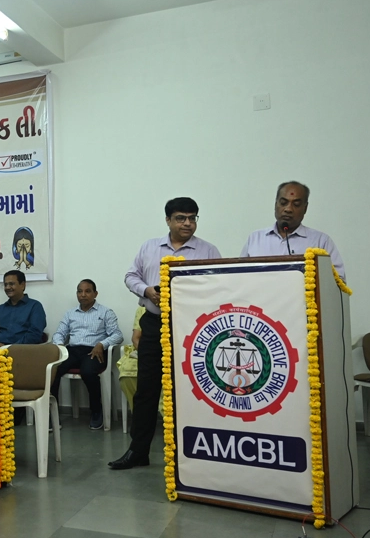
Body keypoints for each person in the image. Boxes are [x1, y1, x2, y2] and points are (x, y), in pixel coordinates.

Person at [113, 197, 221, 470]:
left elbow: (220, 285)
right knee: (146, 390)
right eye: (181, 218)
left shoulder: (208, 251)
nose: (188, 223)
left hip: (192, 328)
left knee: (191, 390)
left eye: (192, 218)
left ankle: (195, 453)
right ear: (168, 220)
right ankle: (138, 451)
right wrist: (147, 290)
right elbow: (130, 276)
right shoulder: (150, 247)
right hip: (154, 324)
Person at [50, 279, 123, 430]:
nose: (83, 295)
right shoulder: (70, 313)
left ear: (95, 294)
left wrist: (101, 344)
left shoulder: (105, 312)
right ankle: (52, 414)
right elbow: (59, 333)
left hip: (94, 351)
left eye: (87, 291)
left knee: (88, 372)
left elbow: (117, 335)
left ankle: (96, 411)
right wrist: (60, 346)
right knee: (53, 370)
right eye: (80, 291)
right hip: (72, 350)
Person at [240, 181, 346, 280]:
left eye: (296, 204)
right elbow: (239, 276)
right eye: (283, 203)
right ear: (275, 205)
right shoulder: (255, 239)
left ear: (305, 208)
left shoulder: (321, 241)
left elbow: (338, 281)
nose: (288, 209)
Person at [0, 270, 46, 348]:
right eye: (5, 285)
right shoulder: (0, 309)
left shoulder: (35, 306)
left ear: (22, 285)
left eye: (11, 284)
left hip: (24, 351)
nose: (7, 287)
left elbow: (34, 334)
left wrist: (12, 348)